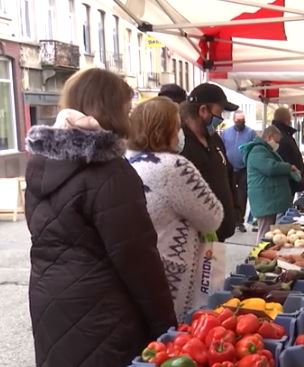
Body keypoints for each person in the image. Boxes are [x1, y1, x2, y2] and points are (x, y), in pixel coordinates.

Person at [24, 68, 176, 367]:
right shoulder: (109, 171)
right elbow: (137, 259)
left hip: (50, 300)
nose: (129, 115)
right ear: (111, 108)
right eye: (127, 108)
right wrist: (166, 327)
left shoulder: (41, 164)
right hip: (102, 309)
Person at [127, 97, 224, 319]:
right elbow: (213, 217)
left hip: (138, 268)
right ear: (166, 128)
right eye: (177, 125)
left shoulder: (126, 160)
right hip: (173, 272)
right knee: (174, 334)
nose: (180, 132)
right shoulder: (174, 167)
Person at [179, 83, 239, 242]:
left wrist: (235, 210)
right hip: (196, 237)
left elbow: (227, 174)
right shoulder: (180, 143)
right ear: (203, 110)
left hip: (220, 232)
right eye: (219, 112)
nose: (222, 118)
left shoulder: (215, 139)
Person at [241, 126, 302, 243]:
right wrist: (288, 167)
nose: (277, 144)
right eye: (277, 141)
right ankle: (259, 256)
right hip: (264, 200)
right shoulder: (258, 151)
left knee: (269, 231)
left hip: (268, 199)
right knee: (265, 232)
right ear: (269, 137)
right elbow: (270, 167)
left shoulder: (265, 150)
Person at [221, 110, 257, 233]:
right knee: (228, 193)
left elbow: (254, 149)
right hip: (229, 168)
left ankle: (240, 221)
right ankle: (229, 219)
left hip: (244, 168)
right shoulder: (225, 133)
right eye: (238, 120)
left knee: (242, 195)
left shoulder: (251, 133)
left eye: (242, 120)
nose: (240, 122)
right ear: (234, 120)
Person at [272, 107, 304, 197]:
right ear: (287, 120)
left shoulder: (279, 135)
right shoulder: (283, 138)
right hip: (287, 187)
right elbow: (288, 163)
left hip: (286, 185)